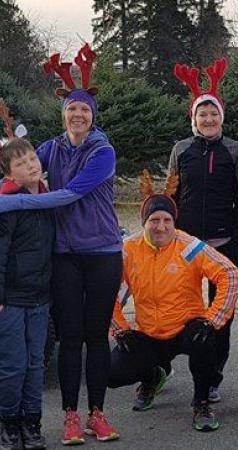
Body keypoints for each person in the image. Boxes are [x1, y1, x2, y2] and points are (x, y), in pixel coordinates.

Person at [0, 45, 122, 444]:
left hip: (103, 253)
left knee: (96, 335)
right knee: (70, 336)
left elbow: (68, 194)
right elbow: (23, 168)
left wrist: (11, 202)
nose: (78, 115)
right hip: (65, 256)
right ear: (63, 113)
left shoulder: (102, 152)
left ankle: (97, 413)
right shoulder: (51, 147)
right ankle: (71, 415)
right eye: (72, 109)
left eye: (84, 110)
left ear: (92, 115)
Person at [108, 180, 238, 432]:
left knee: (205, 341)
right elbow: (107, 294)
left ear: (174, 222)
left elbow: (231, 275)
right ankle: (152, 378)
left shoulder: (189, 247)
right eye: (154, 220)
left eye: (167, 220)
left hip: (186, 329)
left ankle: (201, 402)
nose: (160, 227)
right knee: (111, 374)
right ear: (143, 222)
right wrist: (120, 330)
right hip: (149, 332)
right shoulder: (128, 250)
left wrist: (212, 319)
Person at [169, 59, 238, 402]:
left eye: (213, 114)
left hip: (223, 243)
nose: (209, 119)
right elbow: (170, 196)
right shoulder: (181, 149)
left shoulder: (234, 150)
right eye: (202, 114)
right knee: (181, 310)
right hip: (186, 244)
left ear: (221, 117)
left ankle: (212, 375)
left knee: (221, 314)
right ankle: (162, 366)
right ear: (194, 118)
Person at [0, 137, 53, 450]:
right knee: (13, 364)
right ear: (8, 173)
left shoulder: (48, 198)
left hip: (41, 298)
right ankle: (9, 423)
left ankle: (31, 422)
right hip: (12, 300)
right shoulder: (8, 204)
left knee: (36, 364)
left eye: (32, 158)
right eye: (20, 163)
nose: (30, 165)